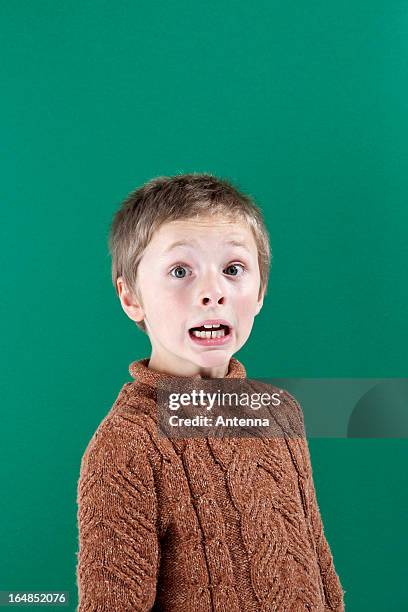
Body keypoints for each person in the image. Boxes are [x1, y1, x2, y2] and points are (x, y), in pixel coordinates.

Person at [76, 173, 345, 611]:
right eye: (180, 271)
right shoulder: (127, 446)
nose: (212, 293)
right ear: (131, 298)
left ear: (259, 292)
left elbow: (315, 560)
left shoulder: (279, 412)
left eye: (233, 270)